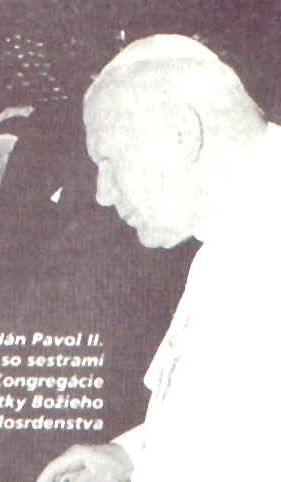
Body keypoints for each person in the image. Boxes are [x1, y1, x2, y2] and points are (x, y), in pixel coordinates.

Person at [37, 34, 281, 482]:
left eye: (110, 160)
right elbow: (227, 417)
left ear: (183, 135)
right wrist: (130, 455)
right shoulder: (233, 225)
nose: (103, 193)